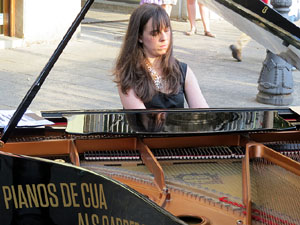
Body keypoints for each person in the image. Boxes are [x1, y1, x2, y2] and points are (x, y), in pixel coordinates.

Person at [113, 4, 209, 109]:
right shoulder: (128, 74)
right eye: (155, 33)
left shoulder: (183, 70)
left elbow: (202, 113)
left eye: (167, 30)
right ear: (139, 37)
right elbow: (142, 121)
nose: (164, 38)